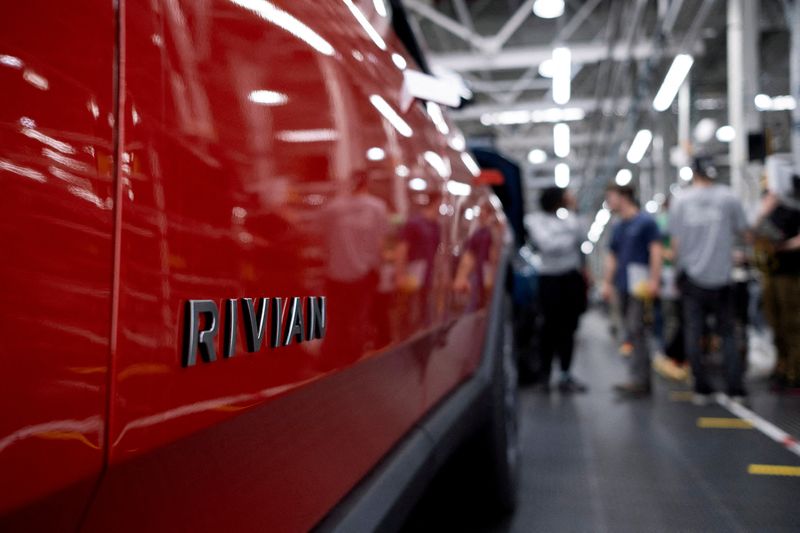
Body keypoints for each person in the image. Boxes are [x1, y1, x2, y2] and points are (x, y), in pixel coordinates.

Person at [669, 157, 750, 403]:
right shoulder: (728, 197)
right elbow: (745, 232)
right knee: (727, 332)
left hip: (692, 278)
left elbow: (676, 243)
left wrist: (676, 273)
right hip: (723, 277)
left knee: (694, 332)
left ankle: (701, 388)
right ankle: (735, 388)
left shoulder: (680, 200)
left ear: (693, 172)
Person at [602, 185, 663, 398]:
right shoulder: (618, 227)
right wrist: (608, 283)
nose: (609, 202)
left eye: (611, 197)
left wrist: (655, 280)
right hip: (622, 285)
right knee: (630, 331)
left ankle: (640, 380)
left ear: (623, 197)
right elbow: (613, 257)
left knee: (637, 329)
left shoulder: (645, 222)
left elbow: (656, 251)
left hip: (640, 285)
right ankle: (637, 377)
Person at [526, 187, 588, 393]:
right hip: (549, 280)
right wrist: (568, 239)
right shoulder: (534, 220)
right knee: (548, 328)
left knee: (569, 329)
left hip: (571, 279)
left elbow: (582, 235)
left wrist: (571, 224)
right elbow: (547, 245)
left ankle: (565, 374)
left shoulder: (571, 218)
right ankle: (544, 375)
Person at [755, 190, 800, 393]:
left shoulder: (795, 208)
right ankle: (782, 366)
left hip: (791, 274)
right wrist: (764, 211)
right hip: (773, 272)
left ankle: (795, 371)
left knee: (793, 324)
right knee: (776, 323)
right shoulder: (772, 210)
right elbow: (752, 230)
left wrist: (784, 245)